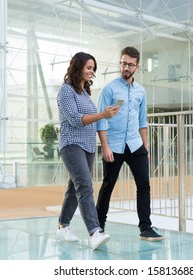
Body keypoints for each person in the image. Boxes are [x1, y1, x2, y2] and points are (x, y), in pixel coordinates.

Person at [96, 46, 164, 241]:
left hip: (135, 145)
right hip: (114, 145)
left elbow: (143, 120)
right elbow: (102, 120)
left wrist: (146, 146)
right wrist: (105, 147)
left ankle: (146, 227)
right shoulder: (109, 89)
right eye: (123, 63)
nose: (126, 67)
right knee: (108, 186)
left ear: (137, 66)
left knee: (144, 185)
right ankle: (98, 227)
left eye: (130, 65)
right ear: (120, 63)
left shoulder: (141, 91)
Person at [56, 52, 120, 250]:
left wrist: (106, 115)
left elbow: (92, 119)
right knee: (84, 186)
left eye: (93, 68)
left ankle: (62, 226)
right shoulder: (66, 91)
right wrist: (101, 114)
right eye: (89, 67)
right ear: (78, 67)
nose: (92, 72)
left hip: (88, 146)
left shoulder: (85, 94)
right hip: (71, 144)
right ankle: (94, 232)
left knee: (74, 189)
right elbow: (75, 119)